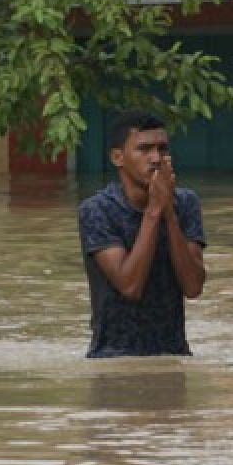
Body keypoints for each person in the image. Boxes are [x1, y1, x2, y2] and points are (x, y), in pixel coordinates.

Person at [77, 110, 206, 358]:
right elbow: (130, 285)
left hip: (174, 357)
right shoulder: (98, 210)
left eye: (162, 149)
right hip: (113, 359)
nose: (156, 158)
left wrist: (169, 213)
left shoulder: (185, 204)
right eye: (144, 149)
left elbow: (193, 287)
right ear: (118, 157)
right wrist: (155, 210)